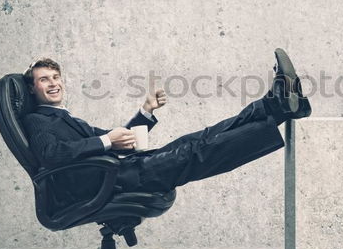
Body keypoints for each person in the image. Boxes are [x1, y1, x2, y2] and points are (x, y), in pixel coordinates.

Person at [20, 49, 311, 198]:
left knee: (198, 138)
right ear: (33, 89)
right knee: (196, 150)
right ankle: (282, 109)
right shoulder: (36, 120)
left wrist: (144, 111)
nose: (53, 83)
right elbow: (50, 155)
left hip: (120, 171)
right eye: (44, 80)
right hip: (110, 181)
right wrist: (108, 141)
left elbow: (117, 138)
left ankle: (275, 104)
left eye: (56, 77)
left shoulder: (63, 118)